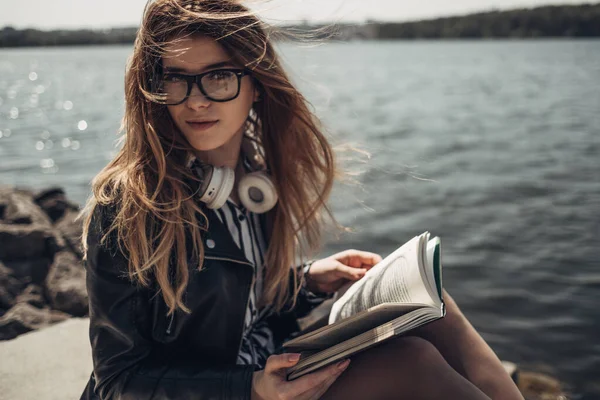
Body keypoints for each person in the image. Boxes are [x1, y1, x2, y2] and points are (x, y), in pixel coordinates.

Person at [80, 1, 524, 399]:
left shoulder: (252, 187)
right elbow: (118, 381)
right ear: (155, 91)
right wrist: (250, 389)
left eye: (218, 76)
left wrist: (308, 280)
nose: (196, 101)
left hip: (262, 367)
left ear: (256, 86)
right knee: (414, 362)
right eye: (177, 79)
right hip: (234, 388)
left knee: (433, 309)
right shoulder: (129, 206)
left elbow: (236, 303)